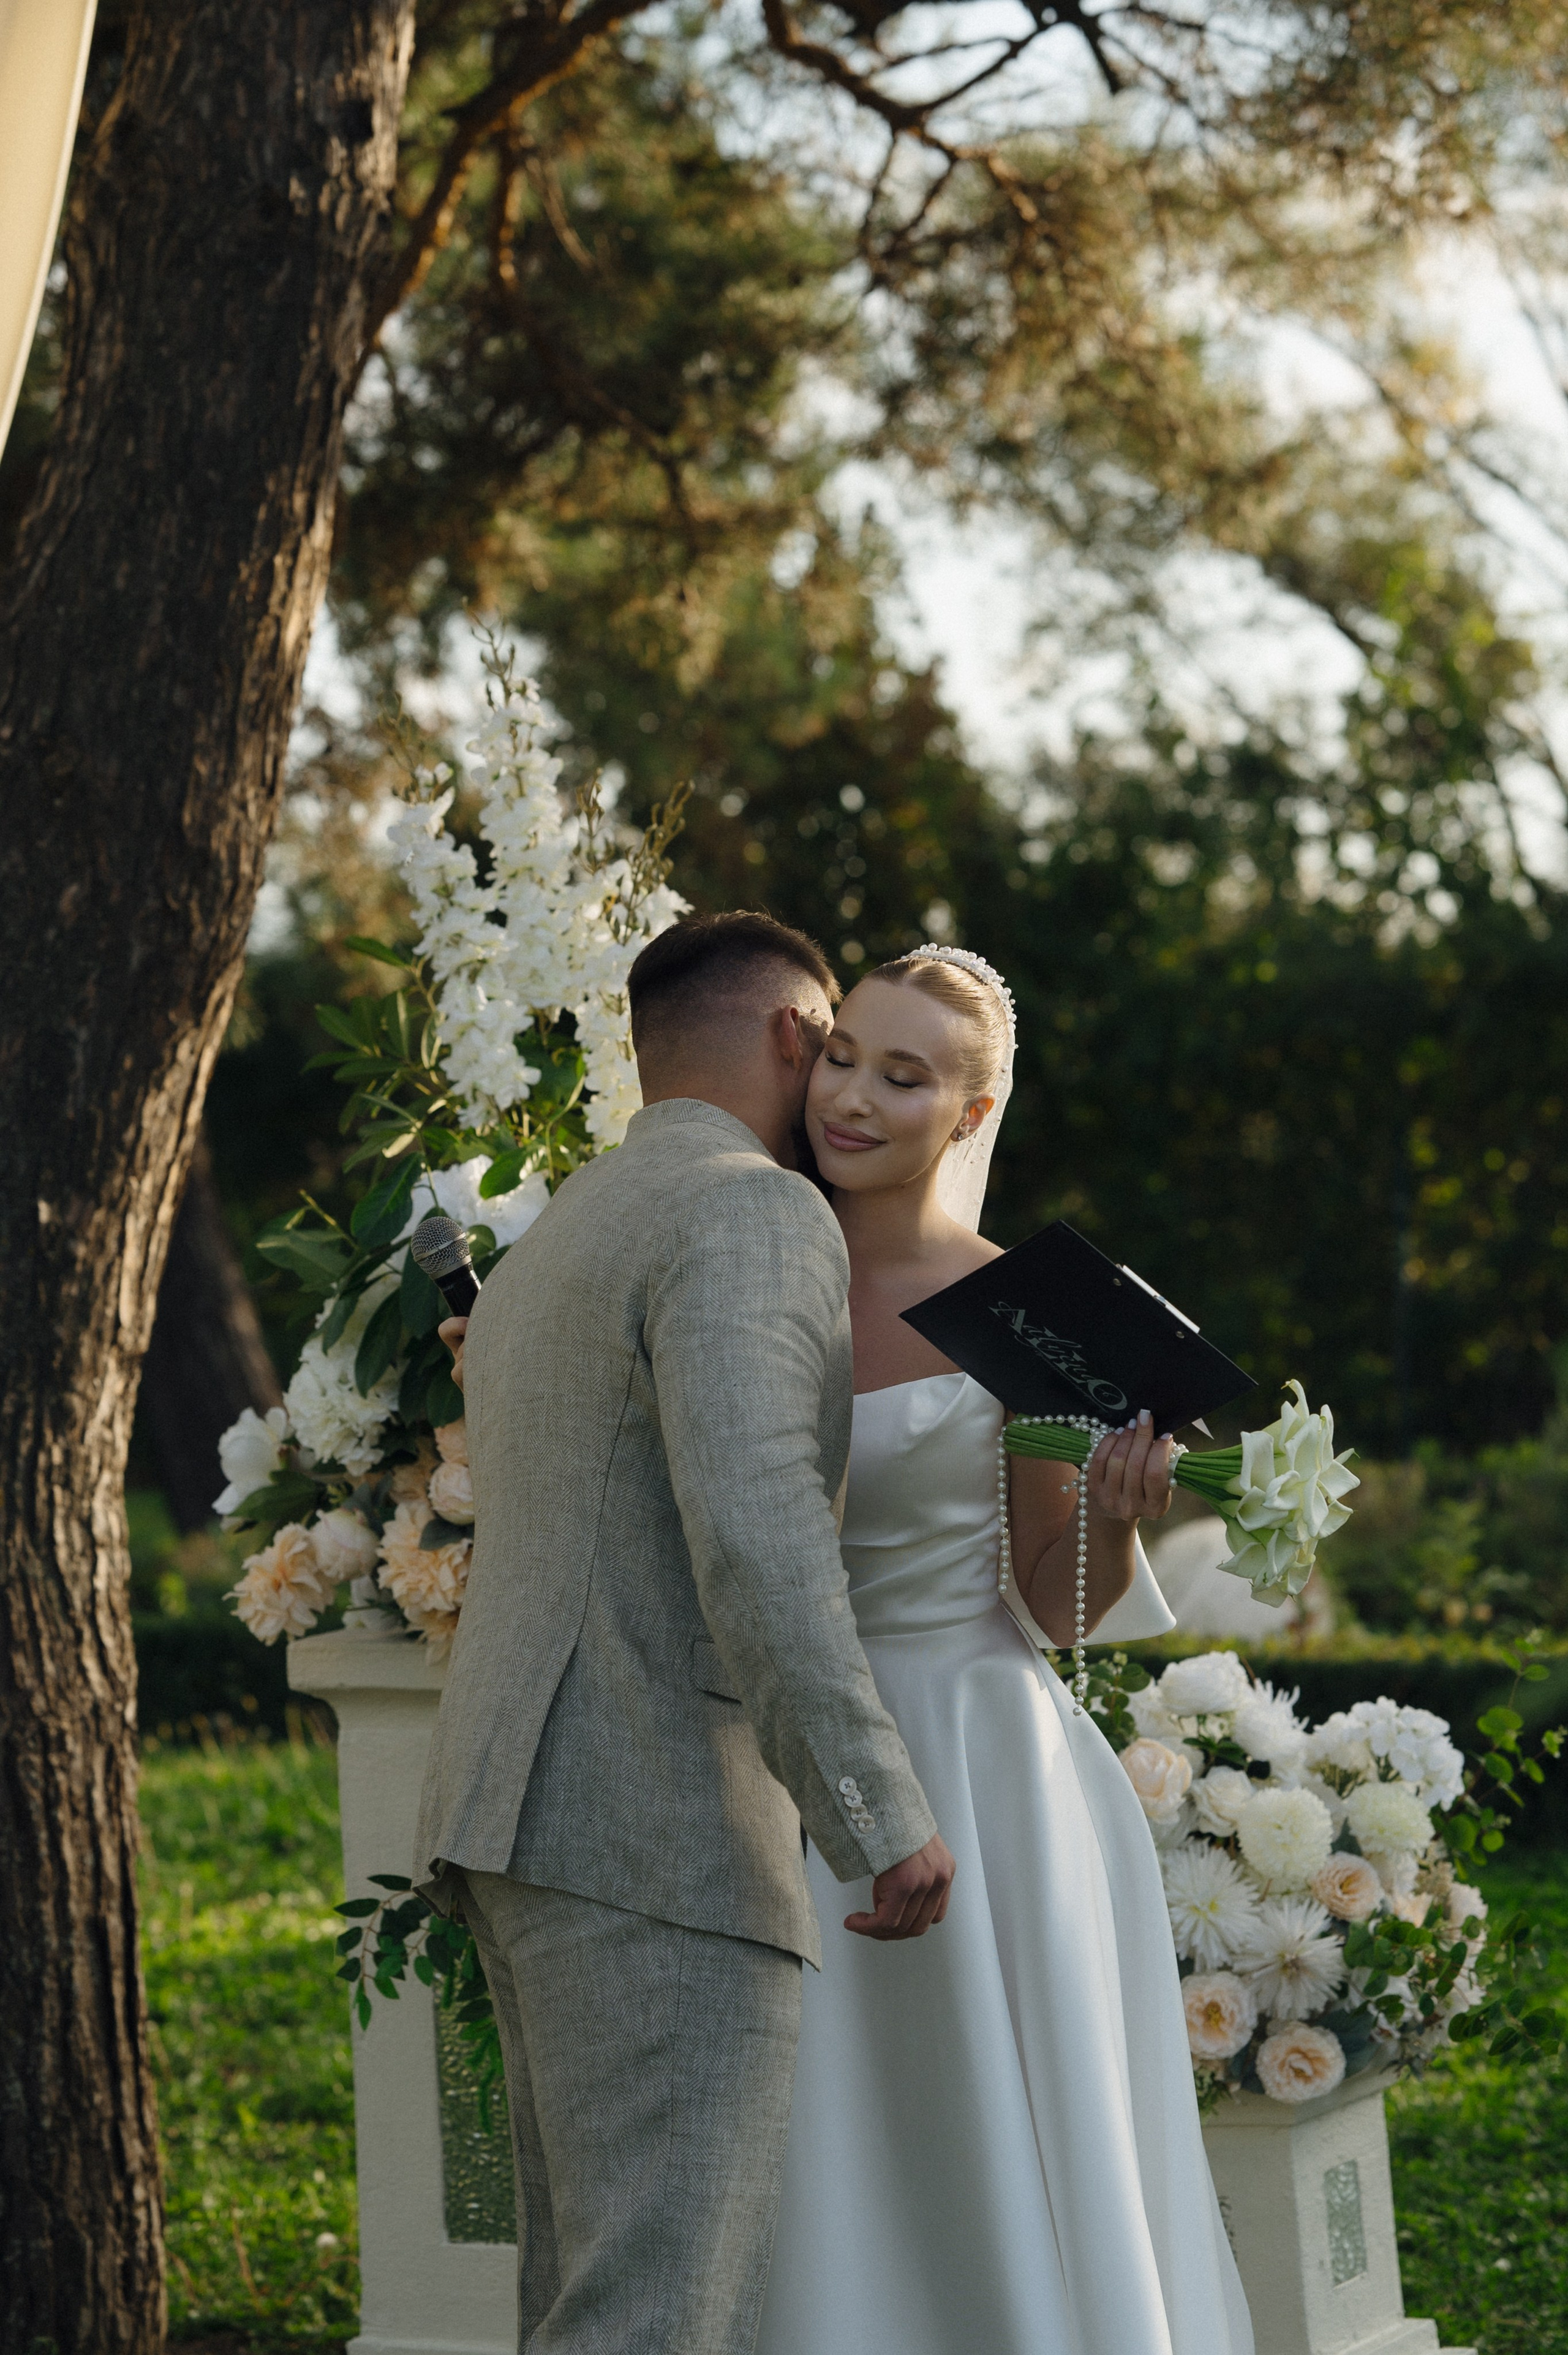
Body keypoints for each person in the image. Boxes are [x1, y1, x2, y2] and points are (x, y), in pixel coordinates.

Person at [413, 910, 956, 2355]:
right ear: (791, 1035)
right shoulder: (746, 1209)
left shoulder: (562, 1231)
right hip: (654, 1825)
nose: (842, 1086)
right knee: (658, 2315)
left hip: (524, 1816)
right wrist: (870, 1806)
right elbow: (757, 1522)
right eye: (834, 1044)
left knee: (590, 2300)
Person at [753, 945, 1254, 2355]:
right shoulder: (748, 1254)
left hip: (979, 1761)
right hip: (784, 1744)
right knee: (825, 2139)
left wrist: (1112, 1516)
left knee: (981, 2115)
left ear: (969, 1115)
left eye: (901, 1076)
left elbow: (1051, 1602)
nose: (850, 1095)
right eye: (841, 1053)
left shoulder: (1025, 1313)